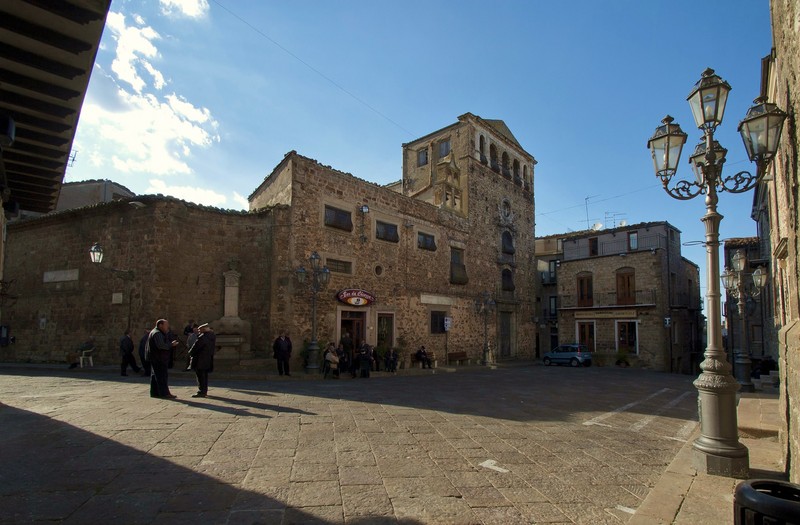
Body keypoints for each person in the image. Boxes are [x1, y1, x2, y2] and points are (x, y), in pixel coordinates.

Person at [145, 319, 179, 399]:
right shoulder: (157, 333)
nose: (167, 327)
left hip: (156, 358)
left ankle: (155, 392)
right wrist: (171, 345)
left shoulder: (155, 332)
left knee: (155, 376)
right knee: (161, 376)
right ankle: (164, 393)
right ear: (160, 325)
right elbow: (161, 345)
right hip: (158, 358)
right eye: (166, 325)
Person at [188, 323, 215, 398]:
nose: (199, 331)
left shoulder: (202, 337)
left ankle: (201, 391)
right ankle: (204, 390)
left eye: (200, 330)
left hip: (200, 359)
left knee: (200, 376)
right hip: (207, 359)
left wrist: (190, 353)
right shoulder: (212, 336)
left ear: (204, 329)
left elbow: (195, 347)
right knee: (204, 376)